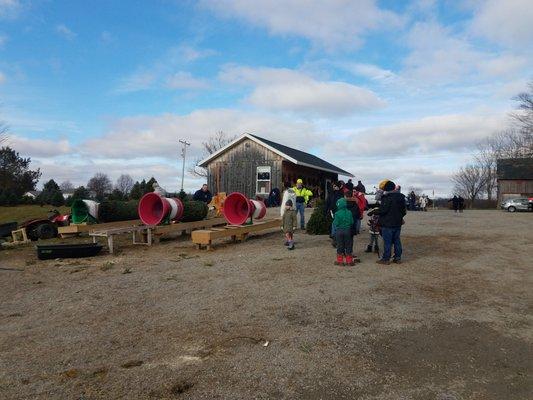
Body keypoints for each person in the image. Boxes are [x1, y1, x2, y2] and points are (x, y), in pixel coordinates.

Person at [374, 180, 406, 265]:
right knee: (397, 240)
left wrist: (375, 211)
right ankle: (397, 258)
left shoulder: (387, 197)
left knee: (387, 241)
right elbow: (404, 211)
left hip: (387, 223)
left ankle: (386, 258)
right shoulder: (401, 197)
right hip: (397, 223)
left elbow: (383, 210)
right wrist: (400, 217)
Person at [332, 197, 355, 266]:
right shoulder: (349, 212)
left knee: (340, 245)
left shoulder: (337, 213)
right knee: (348, 245)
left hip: (339, 231)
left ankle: (340, 261)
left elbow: (336, 223)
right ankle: (349, 261)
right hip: (348, 230)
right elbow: (352, 221)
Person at [325, 182, 345, 247]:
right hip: (332, 211)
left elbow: (342, 202)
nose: (334, 187)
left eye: (335, 186)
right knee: (334, 224)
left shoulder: (341, 194)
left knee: (336, 225)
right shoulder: (331, 193)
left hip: (339, 211)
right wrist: (326, 210)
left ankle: (336, 238)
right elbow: (328, 202)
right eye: (333, 186)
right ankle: (334, 238)